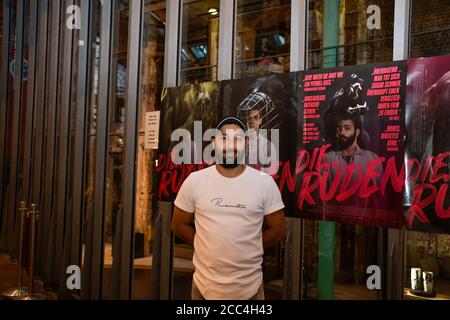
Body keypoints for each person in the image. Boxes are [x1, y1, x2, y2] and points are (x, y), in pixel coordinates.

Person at [171, 116, 286, 300]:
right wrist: (206, 246)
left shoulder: (264, 183)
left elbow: (278, 229)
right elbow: (178, 225)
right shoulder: (195, 181)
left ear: (246, 143)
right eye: (224, 138)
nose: (230, 145)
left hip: (251, 292)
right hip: (202, 290)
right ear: (214, 143)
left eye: (237, 139)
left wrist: (250, 248)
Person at [323, 114, 383, 209]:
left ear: (357, 132)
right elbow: (322, 197)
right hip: (335, 218)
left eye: (347, 128)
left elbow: (378, 198)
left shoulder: (372, 158)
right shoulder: (328, 158)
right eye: (339, 128)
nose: (342, 132)